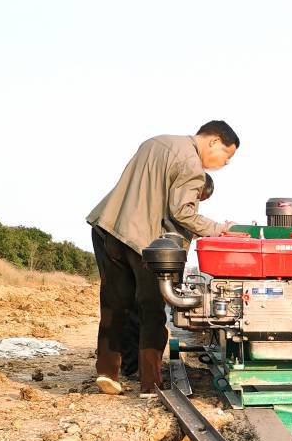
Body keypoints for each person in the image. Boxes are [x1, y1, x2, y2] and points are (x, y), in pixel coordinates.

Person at [87, 122, 238, 395]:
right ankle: (150, 385)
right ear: (214, 141)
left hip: (109, 228)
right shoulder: (192, 165)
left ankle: (107, 372)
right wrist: (220, 229)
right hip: (145, 242)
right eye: (227, 157)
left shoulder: (155, 141)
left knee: (113, 306)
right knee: (152, 310)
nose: (223, 164)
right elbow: (182, 212)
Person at [119, 174, 216, 379]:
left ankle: (132, 367)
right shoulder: (176, 203)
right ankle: (146, 376)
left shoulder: (158, 197)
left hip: (140, 250)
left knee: (136, 310)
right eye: (199, 197)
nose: (196, 203)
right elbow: (177, 224)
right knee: (150, 312)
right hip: (151, 256)